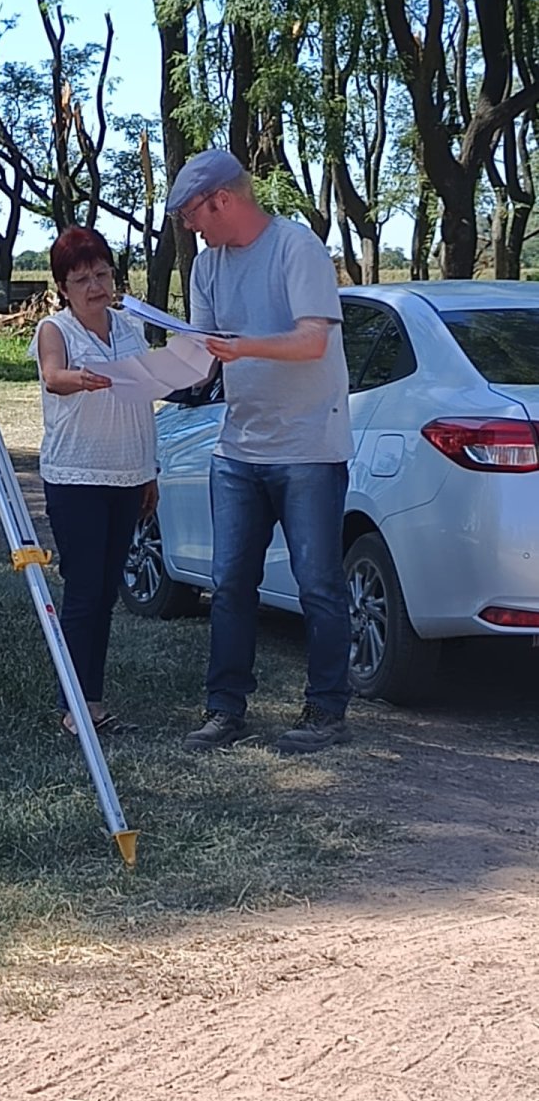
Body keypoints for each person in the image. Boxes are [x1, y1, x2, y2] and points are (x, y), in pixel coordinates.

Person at [167, 150, 354, 755]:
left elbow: (311, 341)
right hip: (237, 448)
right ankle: (225, 709)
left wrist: (241, 347)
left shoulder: (297, 248)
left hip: (308, 447)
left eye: (194, 214)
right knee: (229, 585)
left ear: (223, 200)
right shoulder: (207, 268)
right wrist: (148, 374)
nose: (191, 227)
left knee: (319, 584)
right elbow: (203, 357)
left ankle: (327, 711)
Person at [29, 225, 158, 736]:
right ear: (63, 285)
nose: (95, 287)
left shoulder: (130, 328)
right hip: (76, 476)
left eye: (101, 274)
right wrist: (83, 379)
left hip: (129, 472)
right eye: (81, 278)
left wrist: (151, 471)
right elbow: (52, 377)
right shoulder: (54, 329)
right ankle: (74, 707)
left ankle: (92, 697)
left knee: (107, 591)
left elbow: (146, 397)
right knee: (83, 591)